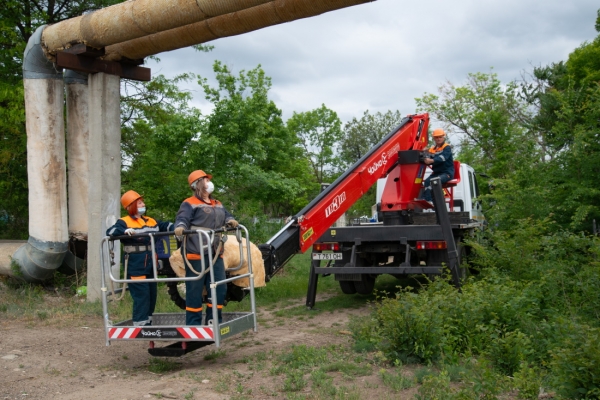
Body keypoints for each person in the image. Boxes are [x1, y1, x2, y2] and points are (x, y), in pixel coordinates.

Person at [174, 170, 238, 326]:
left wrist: (231, 220)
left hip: (215, 252)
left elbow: (226, 215)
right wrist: (180, 227)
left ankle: (213, 320)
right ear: (197, 185)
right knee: (194, 290)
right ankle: (193, 324)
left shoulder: (217, 203)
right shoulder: (189, 203)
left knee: (219, 288)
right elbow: (182, 218)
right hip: (197, 252)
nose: (209, 183)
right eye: (205, 180)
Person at [106, 190, 174, 326]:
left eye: (142, 202)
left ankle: (147, 321)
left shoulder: (151, 221)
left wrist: (178, 226)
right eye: (139, 203)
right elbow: (111, 231)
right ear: (131, 206)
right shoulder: (124, 222)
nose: (143, 204)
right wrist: (124, 231)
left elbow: (164, 226)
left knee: (151, 293)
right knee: (141, 294)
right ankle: (140, 323)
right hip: (136, 262)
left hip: (150, 261)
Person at [421, 128, 454, 202]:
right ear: (434, 138)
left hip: (446, 173)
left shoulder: (447, 147)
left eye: (440, 137)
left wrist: (431, 160)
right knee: (427, 181)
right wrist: (424, 152)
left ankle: (430, 199)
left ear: (443, 137)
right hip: (437, 173)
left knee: (436, 181)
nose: (438, 139)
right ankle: (427, 199)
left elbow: (443, 158)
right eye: (436, 137)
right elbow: (429, 155)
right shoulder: (432, 149)